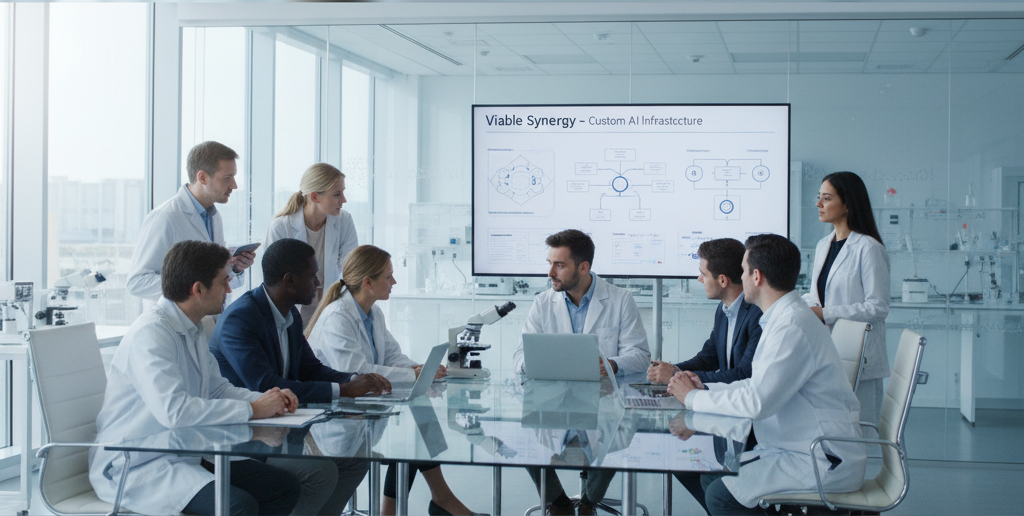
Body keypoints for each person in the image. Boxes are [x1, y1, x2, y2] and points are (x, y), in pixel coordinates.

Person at [90, 240, 301, 516]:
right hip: (137, 463)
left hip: (182, 450)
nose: (229, 290)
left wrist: (269, 399)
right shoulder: (151, 333)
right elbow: (175, 411)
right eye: (224, 281)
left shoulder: (192, 328)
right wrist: (253, 409)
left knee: (284, 487)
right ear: (198, 289)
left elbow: (217, 389)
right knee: (239, 507)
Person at [667, 234, 866, 516]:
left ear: (756, 276)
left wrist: (693, 398)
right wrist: (706, 389)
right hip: (799, 446)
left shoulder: (790, 326)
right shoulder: (783, 318)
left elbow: (757, 402)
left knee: (720, 496)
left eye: (743, 270)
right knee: (713, 478)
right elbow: (756, 384)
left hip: (820, 456)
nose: (741, 277)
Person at [209, 238, 394, 515]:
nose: (319, 282)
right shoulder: (241, 319)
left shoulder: (289, 315)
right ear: (290, 281)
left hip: (282, 428)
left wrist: (355, 380)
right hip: (244, 439)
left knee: (357, 459)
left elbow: (312, 369)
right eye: (312, 275)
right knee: (322, 472)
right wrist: (344, 390)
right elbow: (265, 385)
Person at [306, 244, 483, 516]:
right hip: (339, 419)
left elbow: (391, 355)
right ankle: (438, 501)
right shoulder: (337, 317)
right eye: (388, 277)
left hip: (366, 410)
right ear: (368, 282)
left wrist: (419, 368)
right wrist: (413, 375)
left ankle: (431, 501)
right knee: (413, 432)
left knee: (420, 424)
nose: (394, 282)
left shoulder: (373, 313)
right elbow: (357, 373)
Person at [511, 229, 651, 515]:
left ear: (583, 267)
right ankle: (559, 503)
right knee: (524, 443)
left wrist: (611, 364)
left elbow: (640, 356)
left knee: (614, 435)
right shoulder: (543, 302)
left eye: (559, 265)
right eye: (550, 263)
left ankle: (589, 502)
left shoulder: (620, 299)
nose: (550, 272)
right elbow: (519, 357)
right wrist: (535, 362)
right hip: (553, 404)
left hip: (604, 404)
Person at [646, 238, 763, 516]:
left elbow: (745, 374)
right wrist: (671, 371)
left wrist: (678, 377)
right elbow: (709, 356)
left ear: (722, 280)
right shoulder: (724, 309)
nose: (699, 279)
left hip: (750, 424)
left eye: (702, 273)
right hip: (725, 414)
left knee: (701, 471)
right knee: (677, 459)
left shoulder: (757, 314)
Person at [803, 171, 890, 430]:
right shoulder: (823, 245)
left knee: (859, 429)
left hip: (860, 352)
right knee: (833, 426)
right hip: (829, 349)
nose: (818, 204)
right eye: (819, 197)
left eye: (827, 198)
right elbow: (816, 295)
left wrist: (825, 313)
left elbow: (878, 307)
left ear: (848, 204)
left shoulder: (869, 248)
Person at [128, 141, 257, 306]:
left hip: (208, 317)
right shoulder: (165, 216)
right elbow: (137, 282)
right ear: (202, 177)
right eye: (227, 178)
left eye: (234, 177)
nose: (234, 185)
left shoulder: (215, 217)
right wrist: (192, 288)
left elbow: (211, 279)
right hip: (175, 320)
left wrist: (234, 268)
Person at [265, 163, 359, 325]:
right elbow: (275, 279)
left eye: (343, 193)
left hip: (331, 303)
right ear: (315, 197)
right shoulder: (281, 227)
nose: (344, 200)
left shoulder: (344, 221)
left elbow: (351, 269)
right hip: (292, 306)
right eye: (337, 194)